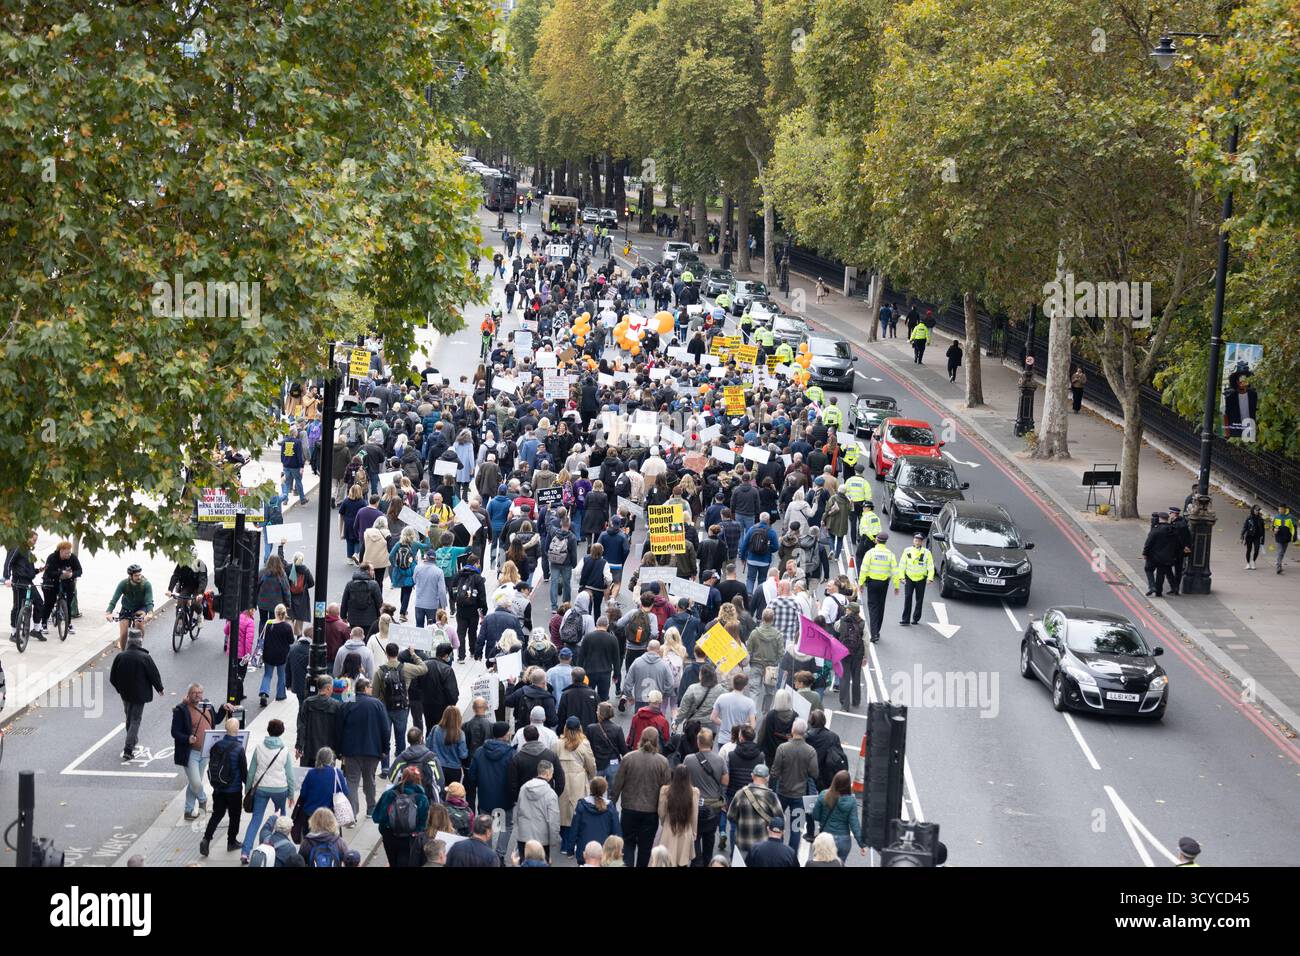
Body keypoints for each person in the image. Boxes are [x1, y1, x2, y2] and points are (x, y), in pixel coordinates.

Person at [611, 726, 672, 867]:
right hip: (650, 812)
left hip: (629, 809)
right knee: (645, 849)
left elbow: (617, 784)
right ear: (657, 741)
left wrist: (612, 804)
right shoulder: (662, 762)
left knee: (627, 845)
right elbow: (666, 790)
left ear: (641, 738)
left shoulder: (628, 758)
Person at [171, 683, 231, 820]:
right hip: (190, 752)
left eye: (199, 692)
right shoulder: (181, 710)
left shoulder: (206, 705)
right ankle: (203, 800)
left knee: (194, 782)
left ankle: (188, 810)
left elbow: (215, 719)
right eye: (194, 692)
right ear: (188, 694)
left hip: (205, 752)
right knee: (196, 782)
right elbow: (174, 732)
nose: (197, 695)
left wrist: (223, 708)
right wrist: (187, 738)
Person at [240, 719, 296, 864]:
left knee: (256, 819)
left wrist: (248, 790)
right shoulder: (283, 750)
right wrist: (291, 794)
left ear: (268, 730)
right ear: (282, 732)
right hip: (280, 788)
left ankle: (245, 852)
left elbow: (251, 772)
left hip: (261, 788)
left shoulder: (259, 747)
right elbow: (290, 774)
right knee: (282, 816)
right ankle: (282, 847)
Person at [336, 676, 390, 817]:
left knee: (352, 781)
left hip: (351, 750)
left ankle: (352, 813)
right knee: (369, 779)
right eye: (370, 686)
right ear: (365, 688)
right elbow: (385, 729)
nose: (372, 689)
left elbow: (339, 728)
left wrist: (339, 750)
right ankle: (371, 808)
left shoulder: (348, 703)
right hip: (373, 750)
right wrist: (386, 749)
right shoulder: (377, 704)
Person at [108, 631, 164, 761]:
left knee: (129, 716)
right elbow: (153, 674)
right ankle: (129, 747)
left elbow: (112, 677)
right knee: (135, 719)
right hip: (140, 695)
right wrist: (159, 688)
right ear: (140, 641)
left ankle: (132, 740)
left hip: (125, 694)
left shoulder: (120, 656)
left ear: (128, 642)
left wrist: (119, 689)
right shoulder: (145, 657)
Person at [374, 641, 428, 773]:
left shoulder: (380, 671)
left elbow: (375, 694)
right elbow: (424, 668)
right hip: (402, 707)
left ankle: (385, 768)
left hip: (385, 708)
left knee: (384, 737)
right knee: (400, 736)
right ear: (397, 653)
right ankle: (400, 766)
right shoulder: (406, 668)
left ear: (386, 654)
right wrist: (414, 654)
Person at [200, 718, 249, 857]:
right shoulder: (239, 749)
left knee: (217, 814)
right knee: (234, 816)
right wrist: (249, 787)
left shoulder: (216, 746)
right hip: (233, 790)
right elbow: (244, 772)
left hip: (218, 788)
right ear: (237, 730)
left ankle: (206, 838)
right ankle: (231, 841)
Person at [770, 717, 819, 850]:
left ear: (792, 730)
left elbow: (774, 772)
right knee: (795, 829)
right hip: (799, 795)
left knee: (777, 824)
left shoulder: (782, 748)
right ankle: (791, 857)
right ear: (805, 732)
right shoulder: (810, 751)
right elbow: (814, 773)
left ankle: (777, 851)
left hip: (782, 793)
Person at [372, 765, 431, 867]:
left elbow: (377, 817)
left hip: (390, 836)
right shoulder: (422, 798)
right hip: (410, 839)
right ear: (419, 779)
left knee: (393, 862)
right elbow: (423, 823)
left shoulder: (389, 794)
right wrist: (416, 832)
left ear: (402, 777)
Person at [555, 717, 597, 855]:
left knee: (563, 811)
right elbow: (591, 764)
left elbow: (552, 762)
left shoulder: (557, 743)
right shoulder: (584, 744)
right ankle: (573, 843)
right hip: (578, 779)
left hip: (561, 779)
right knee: (576, 811)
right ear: (580, 728)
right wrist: (591, 777)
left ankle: (565, 842)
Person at [809, 769, 866, 862]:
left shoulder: (824, 795)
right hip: (843, 840)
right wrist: (862, 844)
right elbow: (854, 825)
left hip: (826, 839)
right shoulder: (851, 801)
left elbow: (815, 816)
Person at [730, 764, 785, 858]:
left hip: (743, 843)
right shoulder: (771, 796)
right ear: (767, 778)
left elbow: (731, 816)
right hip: (763, 847)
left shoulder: (740, 793)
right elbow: (780, 819)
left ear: (752, 776)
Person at [514, 759, 561, 864]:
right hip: (542, 840)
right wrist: (553, 841)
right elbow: (554, 821)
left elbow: (518, 812)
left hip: (524, 837)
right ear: (548, 773)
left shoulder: (524, 788)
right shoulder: (551, 793)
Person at [654, 764, 699, 867]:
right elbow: (694, 815)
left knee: (666, 862)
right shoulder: (694, 792)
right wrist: (694, 832)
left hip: (669, 828)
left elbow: (661, 811)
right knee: (682, 862)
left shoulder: (665, 790)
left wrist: (663, 821)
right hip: (686, 830)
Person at [858, 532, 899, 642]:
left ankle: (874, 633)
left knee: (872, 607)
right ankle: (877, 631)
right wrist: (896, 586)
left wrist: (860, 583)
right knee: (881, 606)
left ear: (876, 540)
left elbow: (864, 569)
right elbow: (895, 571)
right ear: (885, 541)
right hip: (884, 583)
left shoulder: (870, 553)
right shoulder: (890, 554)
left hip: (872, 583)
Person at [467, 721, 515, 817]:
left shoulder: (480, 752)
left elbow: (472, 776)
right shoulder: (511, 754)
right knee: (502, 828)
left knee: (486, 828)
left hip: (485, 800)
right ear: (505, 735)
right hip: (505, 801)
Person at [105, 563, 154, 650]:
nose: (139, 577)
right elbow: (114, 599)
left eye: (139, 574)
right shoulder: (123, 584)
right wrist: (108, 612)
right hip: (126, 608)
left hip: (140, 608)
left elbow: (149, 601)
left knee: (139, 623)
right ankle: (123, 653)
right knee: (123, 633)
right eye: (136, 575)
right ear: (130, 576)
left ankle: (140, 647)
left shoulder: (146, 584)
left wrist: (150, 613)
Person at [258, 604, 295, 707]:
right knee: (282, 675)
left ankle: (264, 692)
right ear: (284, 614)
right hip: (282, 655)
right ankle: (280, 695)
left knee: (267, 675)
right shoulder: (287, 627)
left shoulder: (268, 624)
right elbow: (291, 641)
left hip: (268, 654)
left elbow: (263, 637)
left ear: (275, 613)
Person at [897, 532, 935, 626]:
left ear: (922, 542)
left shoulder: (927, 553)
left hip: (921, 579)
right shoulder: (907, 550)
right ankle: (905, 619)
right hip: (909, 577)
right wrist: (901, 577)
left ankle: (916, 618)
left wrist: (930, 578)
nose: (917, 542)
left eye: (919, 540)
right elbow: (902, 565)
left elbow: (930, 566)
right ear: (913, 541)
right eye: (915, 540)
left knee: (919, 599)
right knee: (908, 597)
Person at [430, 704, 469, 787]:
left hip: (438, 767)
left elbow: (428, 746)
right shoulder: (460, 733)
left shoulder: (435, 729)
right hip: (454, 769)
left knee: (439, 795)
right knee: (452, 796)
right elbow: (463, 755)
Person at [1241, 505, 1266, 570]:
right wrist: (1242, 536)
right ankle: (1248, 563)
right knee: (1249, 550)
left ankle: (1253, 561)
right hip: (1249, 536)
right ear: (1252, 510)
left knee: (1256, 549)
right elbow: (1245, 527)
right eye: (1256, 510)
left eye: (1258, 510)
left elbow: (1263, 531)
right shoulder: (1249, 518)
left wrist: (1263, 540)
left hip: (1257, 536)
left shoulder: (1261, 519)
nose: (1257, 511)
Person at [1273, 504, 1295, 574]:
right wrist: (1275, 530)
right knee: (1280, 551)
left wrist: (1294, 536)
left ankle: (1279, 563)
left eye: (1281, 509)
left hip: (1286, 537)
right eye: (1279, 509)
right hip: (1279, 537)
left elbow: (1293, 527)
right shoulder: (1276, 517)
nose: (1280, 510)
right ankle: (1278, 566)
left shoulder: (1290, 517)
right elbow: (1273, 526)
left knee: (1282, 552)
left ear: (1285, 509)